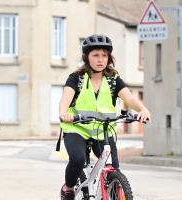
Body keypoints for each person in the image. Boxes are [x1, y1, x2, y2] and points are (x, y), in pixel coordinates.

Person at [58, 34, 152, 200]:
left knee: (113, 167)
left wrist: (143, 109)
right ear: (87, 57)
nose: (100, 59)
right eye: (95, 55)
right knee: (78, 159)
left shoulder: (113, 80)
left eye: (104, 55)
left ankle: (112, 189)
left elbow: (129, 98)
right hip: (77, 128)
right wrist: (63, 113)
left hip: (102, 130)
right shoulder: (77, 78)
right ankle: (69, 188)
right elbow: (66, 97)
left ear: (109, 57)